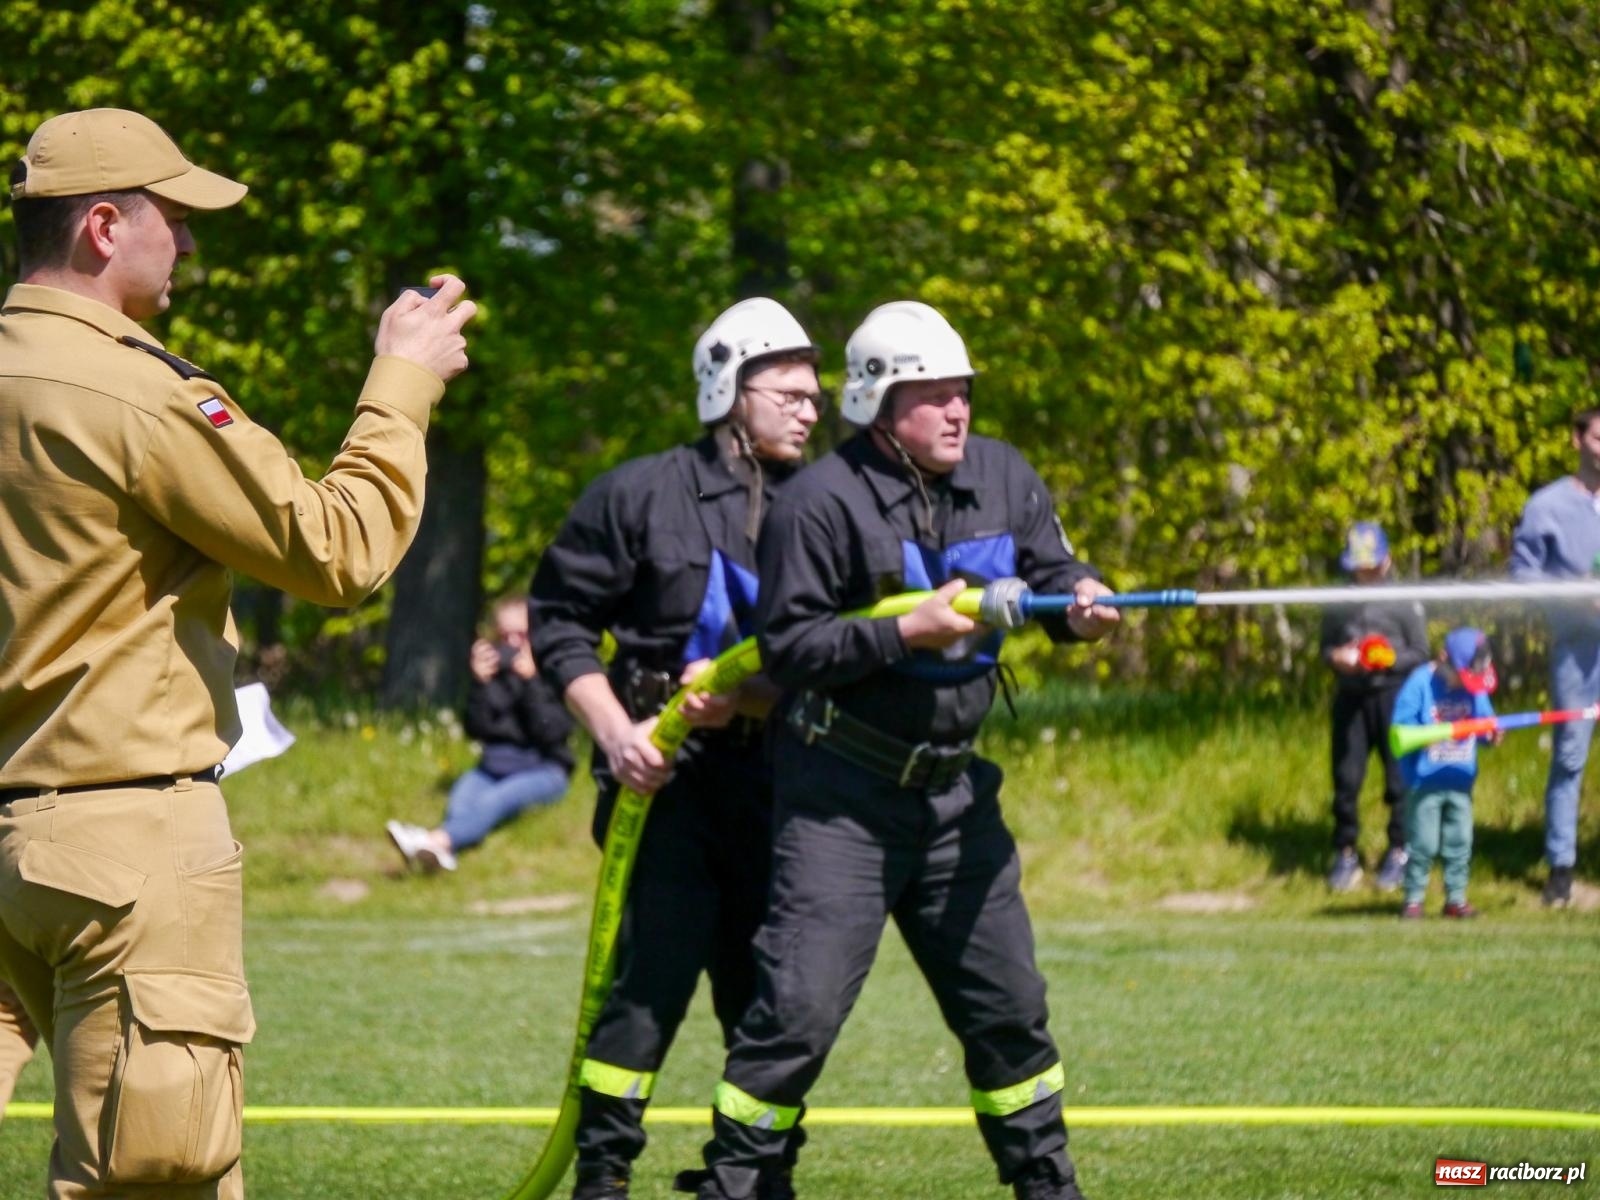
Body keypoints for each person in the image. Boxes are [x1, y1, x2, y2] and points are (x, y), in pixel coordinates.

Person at [0, 108, 475, 1199]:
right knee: (154, 1186)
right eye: (175, 216)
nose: (192, 244)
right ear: (106, 227)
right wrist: (403, 380)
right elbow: (337, 550)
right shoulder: (132, 389)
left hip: (13, 838)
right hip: (126, 844)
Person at [687, 301, 1118, 1200]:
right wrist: (903, 636)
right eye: (935, 394)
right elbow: (790, 650)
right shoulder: (817, 503)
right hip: (840, 801)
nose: (958, 410)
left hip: (959, 803)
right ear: (881, 404)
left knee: (1010, 1015)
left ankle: (1049, 1187)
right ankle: (735, 1187)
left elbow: (1052, 571)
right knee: (795, 1016)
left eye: (964, 391)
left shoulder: (1004, 475)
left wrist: (1084, 600)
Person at [530, 298, 822, 1200]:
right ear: (730, 390)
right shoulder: (638, 495)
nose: (812, 410)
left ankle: (759, 1175)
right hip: (663, 783)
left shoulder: (829, 505)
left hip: (784, 783)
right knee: (647, 990)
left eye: (818, 396)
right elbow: (560, 624)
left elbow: (844, 643)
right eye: (791, 394)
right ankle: (603, 1175)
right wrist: (617, 737)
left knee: (773, 1000)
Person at [387, 595, 575, 872]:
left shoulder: (553, 673)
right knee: (460, 801)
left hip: (544, 771)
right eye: (505, 635)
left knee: (494, 800)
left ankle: (433, 840)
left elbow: (554, 733)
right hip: (492, 767)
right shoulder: (494, 676)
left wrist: (532, 683)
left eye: (522, 635)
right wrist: (480, 685)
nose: (513, 644)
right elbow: (476, 729)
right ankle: (442, 853)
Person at [1509, 406, 1600, 909]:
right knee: (1570, 755)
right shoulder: (1545, 506)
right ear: (1577, 441)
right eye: (1598, 437)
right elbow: (1522, 575)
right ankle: (1561, 868)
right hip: (1578, 649)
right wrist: (1573, 597)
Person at [1318, 521, 1429, 892]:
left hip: (1395, 697)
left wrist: (1388, 659)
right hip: (1350, 697)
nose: (1365, 574)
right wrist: (1339, 657)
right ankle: (1345, 852)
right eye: (1358, 567)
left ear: (1387, 561)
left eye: (1372, 566)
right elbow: (1323, 650)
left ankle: (1400, 850)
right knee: (1346, 778)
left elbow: (1421, 653)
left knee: (1399, 779)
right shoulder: (1338, 601)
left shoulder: (1404, 600)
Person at [1389, 628, 1499, 918]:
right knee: (1422, 843)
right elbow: (1401, 727)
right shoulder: (1420, 683)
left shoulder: (1473, 688)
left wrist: (1491, 735)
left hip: (1461, 781)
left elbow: (1485, 721)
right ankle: (1413, 899)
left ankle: (1456, 899)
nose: (1465, 685)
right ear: (1443, 658)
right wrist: (1428, 734)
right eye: (1462, 678)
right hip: (1425, 782)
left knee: (1460, 842)